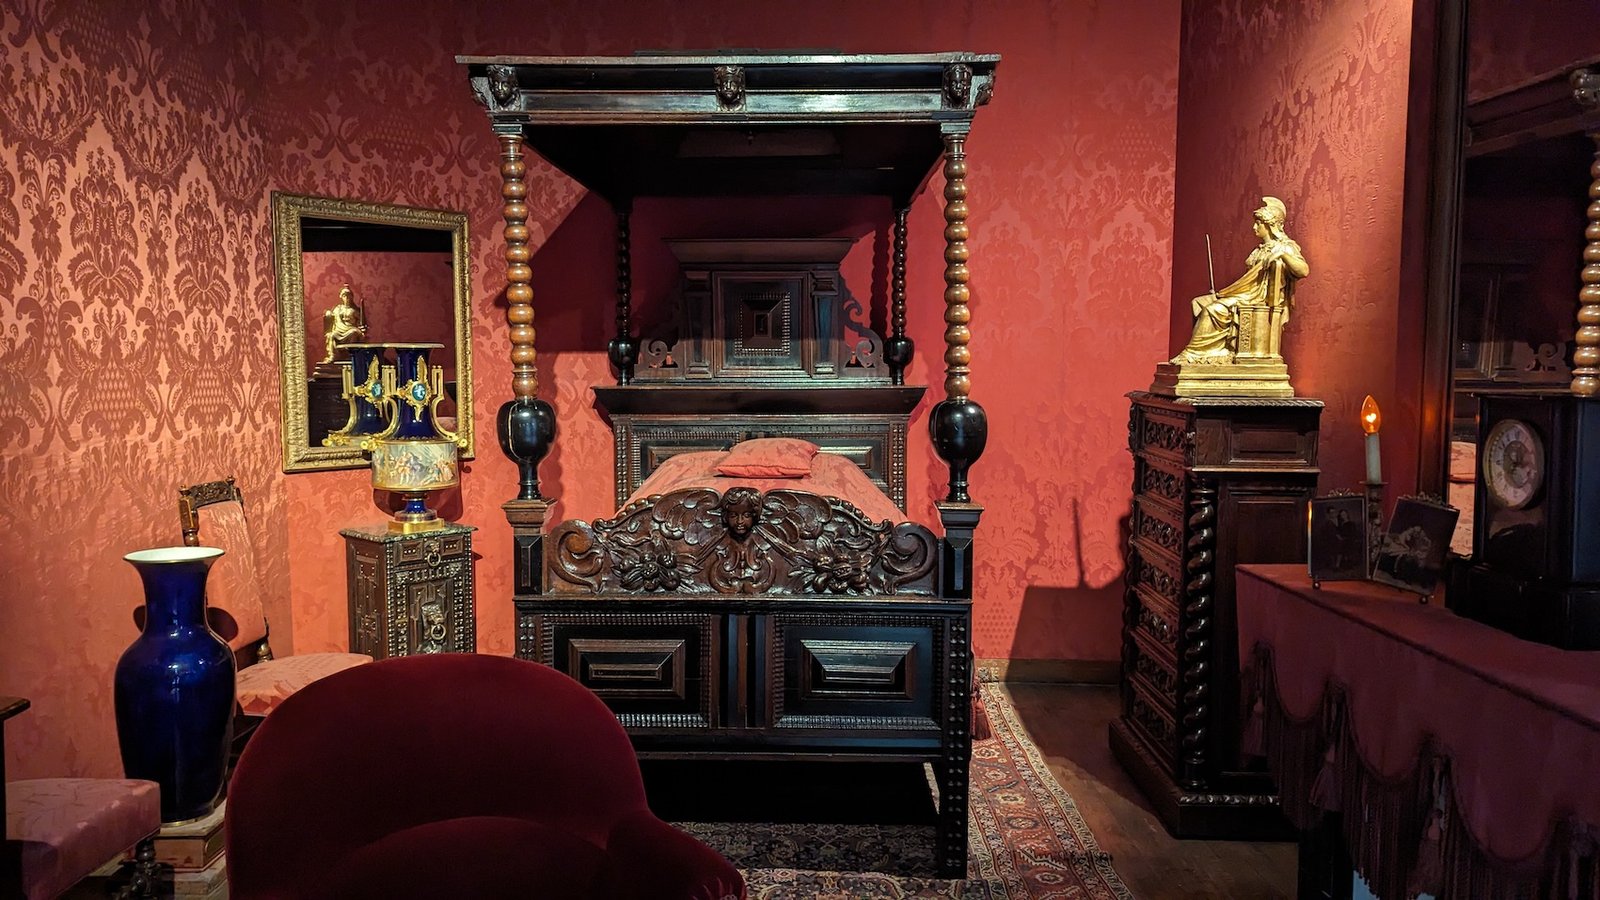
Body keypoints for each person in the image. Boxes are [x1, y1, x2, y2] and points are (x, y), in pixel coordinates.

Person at [1171, 196, 1308, 365]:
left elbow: (1303, 270)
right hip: (1245, 295)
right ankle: (1217, 351)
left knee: (1213, 309)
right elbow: (1246, 282)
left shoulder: (1285, 246)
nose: (1254, 227)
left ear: (1269, 225)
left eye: (1259, 223)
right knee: (1198, 303)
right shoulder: (1258, 251)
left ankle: (1192, 354)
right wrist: (1225, 294)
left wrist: (1283, 255)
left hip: (1258, 300)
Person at [320, 284, 367, 364]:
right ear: (341, 297)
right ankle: (333, 355)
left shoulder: (355, 310)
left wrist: (362, 328)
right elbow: (331, 316)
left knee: (354, 333)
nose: (347, 298)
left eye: (349, 296)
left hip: (351, 329)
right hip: (339, 330)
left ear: (352, 297)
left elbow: (361, 323)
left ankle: (351, 355)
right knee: (332, 335)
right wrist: (328, 313)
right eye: (345, 296)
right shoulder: (338, 308)